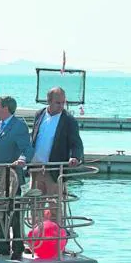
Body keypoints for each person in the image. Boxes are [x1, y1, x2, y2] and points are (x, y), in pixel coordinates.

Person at [0, 96, 35, 261]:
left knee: (14, 214)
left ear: (6, 108)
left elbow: (27, 148)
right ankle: (2, 245)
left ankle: (18, 247)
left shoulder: (18, 126)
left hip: (11, 178)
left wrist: (22, 159)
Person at [30, 87, 84, 220]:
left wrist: (75, 157)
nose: (61, 106)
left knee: (55, 206)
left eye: (63, 102)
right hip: (36, 168)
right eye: (57, 103)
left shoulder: (68, 120)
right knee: (35, 205)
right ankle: (37, 235)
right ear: (49, 101)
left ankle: (56, 235)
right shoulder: (39, 114)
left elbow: (76, 143)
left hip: (54, 169)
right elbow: (34, 137)